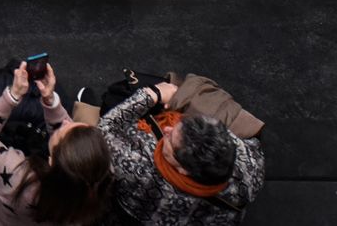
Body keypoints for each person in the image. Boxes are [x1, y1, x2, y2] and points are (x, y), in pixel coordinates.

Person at [100, 80, 265, 226]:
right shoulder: (252, 166)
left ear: (183, 170)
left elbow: (103, 131)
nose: (168, 129)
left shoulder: (138, 167)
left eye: (170, 138)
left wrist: (152, 94)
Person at [0, 61, 112, 226]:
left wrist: (12, 95)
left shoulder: (17, 176)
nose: (65, 122)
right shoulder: (91, 193)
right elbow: (67, 142)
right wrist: (50, 101)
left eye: (61, 130)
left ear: (51, 161)